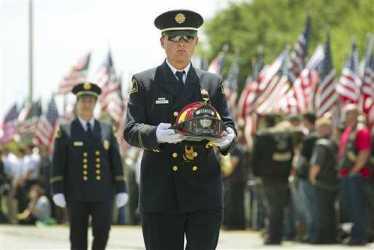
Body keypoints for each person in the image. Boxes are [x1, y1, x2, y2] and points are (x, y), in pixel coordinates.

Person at [123, 9, 236, 250]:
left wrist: (227, 139)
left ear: (195, 42)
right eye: (174, 37)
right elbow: (130, 129)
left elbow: (227, 124)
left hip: (203, 188)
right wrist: (156, 134)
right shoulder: (144, 82)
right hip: (161, 189)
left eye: (187, 37)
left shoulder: (211, 82)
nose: (181, 44)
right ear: (162, 41)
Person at [51, 82, 128, 250]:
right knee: (77, 237)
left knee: (103, 232)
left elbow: (116, 161)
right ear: (77, 103)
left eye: (90, 101)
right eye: (83, 101)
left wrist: (121, 188)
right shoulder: (66, 130)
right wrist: (57, 189)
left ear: (95, 103)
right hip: (76, 193)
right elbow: (58, 163)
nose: (87, 104)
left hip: (103, 193)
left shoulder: (106, 129)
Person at [252, 116, 295, 245]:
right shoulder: (287, 136)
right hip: (282, 175)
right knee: (279, 207)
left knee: (271, 207)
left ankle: (272, 236)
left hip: (267, 176)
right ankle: (279, 235)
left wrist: (257, 173)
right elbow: (291, 154)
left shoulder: (262, 136)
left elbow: (256, 156)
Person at [338, 104, 371, 246]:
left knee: (358, 207)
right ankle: (354, 234)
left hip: (357, 175)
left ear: (357, 115)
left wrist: (354, 171)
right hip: (346, 175)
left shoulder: (361, 131)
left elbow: (364, 153)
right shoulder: (347, 131)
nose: (347, 117)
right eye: (346, 114)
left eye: (350, 114)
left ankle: (360, 236)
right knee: (350, 207)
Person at [309, 117, 338, 244]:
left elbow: (317, 164)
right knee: (330, 210)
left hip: (321, 182)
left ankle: (321, 238)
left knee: (320, 211)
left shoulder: (320, 144)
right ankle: (332, 236)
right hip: (333, 181)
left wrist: (312, 177)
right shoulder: (333, 143)